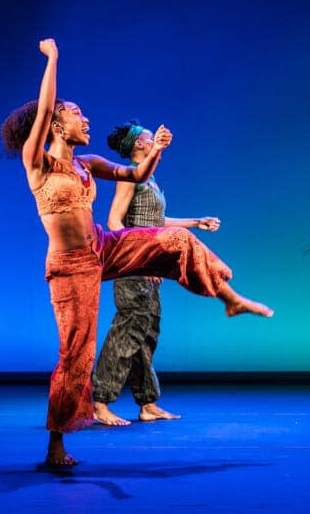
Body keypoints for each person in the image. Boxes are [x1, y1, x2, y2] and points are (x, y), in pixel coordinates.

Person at [0, 39, 272, 468]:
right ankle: (56, 446)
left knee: (176, 240)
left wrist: (158, 148)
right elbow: (48, 100)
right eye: (76, 113)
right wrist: (53, 60)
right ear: (55, 124)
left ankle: (229, 298)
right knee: (76, 354)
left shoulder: (86, 163)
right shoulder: (38, 163)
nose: (85, 118)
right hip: (71, 267)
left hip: (102, 247)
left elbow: (136, 172)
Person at [91, 120, 222, 426]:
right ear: (139, 145)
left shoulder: (149, 181)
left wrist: (195, 222)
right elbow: (114, 221)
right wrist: (138, 259)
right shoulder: (129, 177)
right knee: (127, 331)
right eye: (149, 138)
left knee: (147, 334)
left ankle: (147, 403)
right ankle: (100, 402)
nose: (152, 140)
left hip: (150, 266)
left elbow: (155, 220)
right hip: (135, 265)